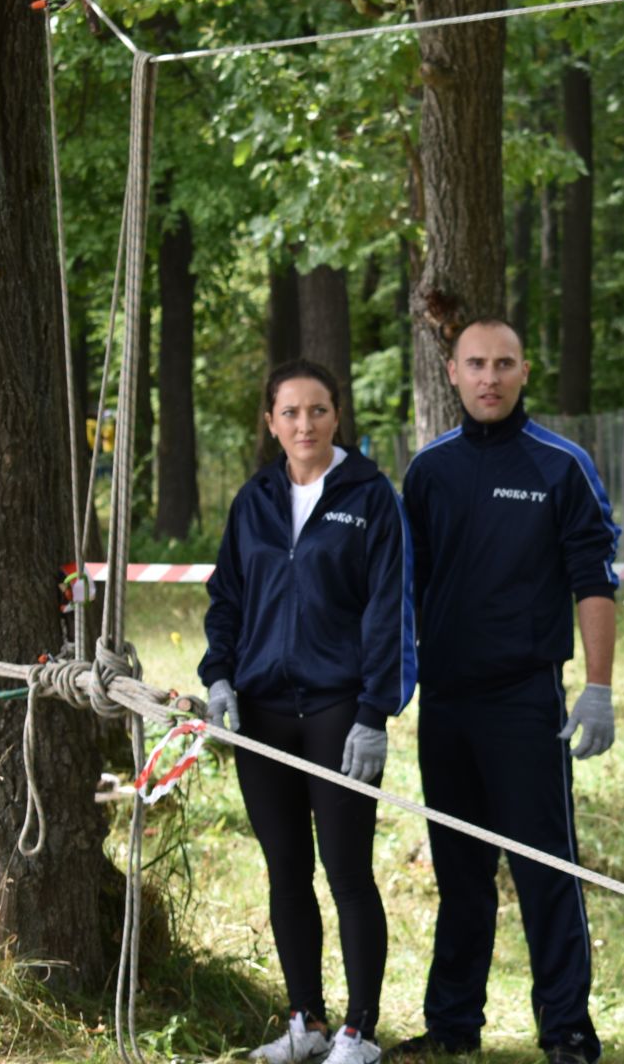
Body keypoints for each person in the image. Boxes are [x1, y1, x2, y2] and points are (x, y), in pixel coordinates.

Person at [386, 317, 621, 1064]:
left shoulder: (562, 465)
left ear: (525, 372)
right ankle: (454, 1026)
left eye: (504, 364)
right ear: (451, 372)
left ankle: (568, 1031)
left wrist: (599, 688)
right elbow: (398, 589)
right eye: (476, 364)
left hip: (526, 702)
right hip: (446, 702)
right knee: (459, 873)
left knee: (545, 869)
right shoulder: (427, 471)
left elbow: (595, 578)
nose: (490, 377)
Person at [201, 359, 417, 1064]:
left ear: (336, 417)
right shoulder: (254, 500)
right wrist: (220, 677)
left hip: (337, 707)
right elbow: (228, 598)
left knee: (347, 869)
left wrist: (373, 712)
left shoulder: (369, 496)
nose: (304, 424)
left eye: (317, 411)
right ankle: (306, 1022)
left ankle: (359, 1031)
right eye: (290, 412)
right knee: (285, 867)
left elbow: (390, 609)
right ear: (270, 422)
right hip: (261, 710)